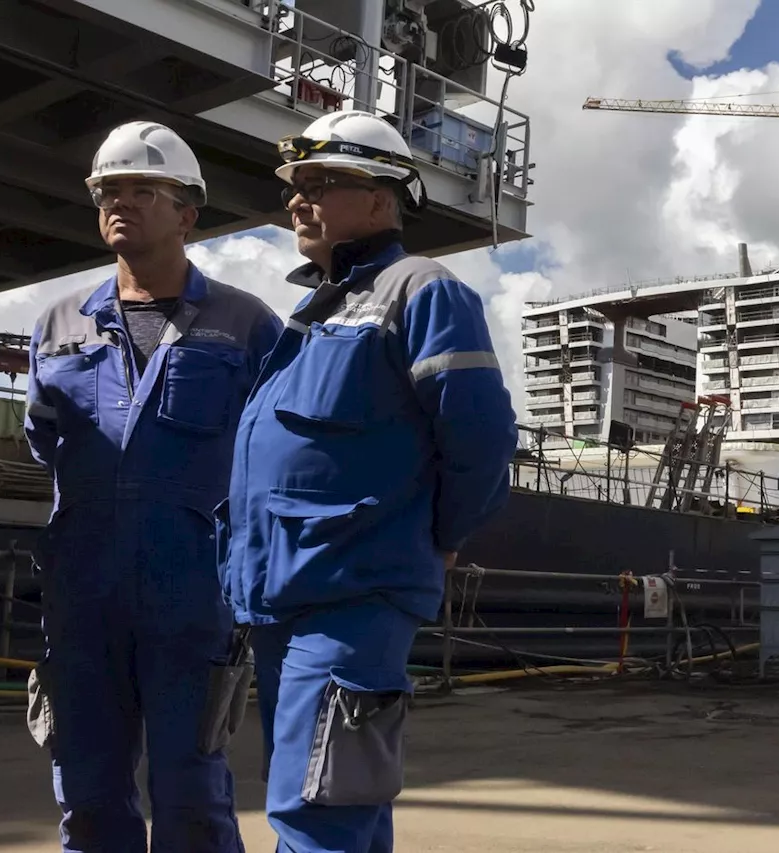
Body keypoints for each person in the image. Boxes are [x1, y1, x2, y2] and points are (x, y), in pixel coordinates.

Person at [217, 109, 518, 851]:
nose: (298, 199)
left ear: (382, 198)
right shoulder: (315, 312)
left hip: (352, 597)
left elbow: (482, 439)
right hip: (283, 599)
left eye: (320, 183)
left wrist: (442, 536)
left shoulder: (422, 291)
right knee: (337, 803)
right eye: (294, 185)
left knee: (316, 810)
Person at [23, 120, 283, 852]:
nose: (120, 203)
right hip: (82, 597)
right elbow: (48, 442)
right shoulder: (59, 325)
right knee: (89, 795)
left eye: (144, 190)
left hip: (194, 596)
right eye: (109, 190)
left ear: (189, 213)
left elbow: (273, 454)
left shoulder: (246, 325)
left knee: (192, 797)